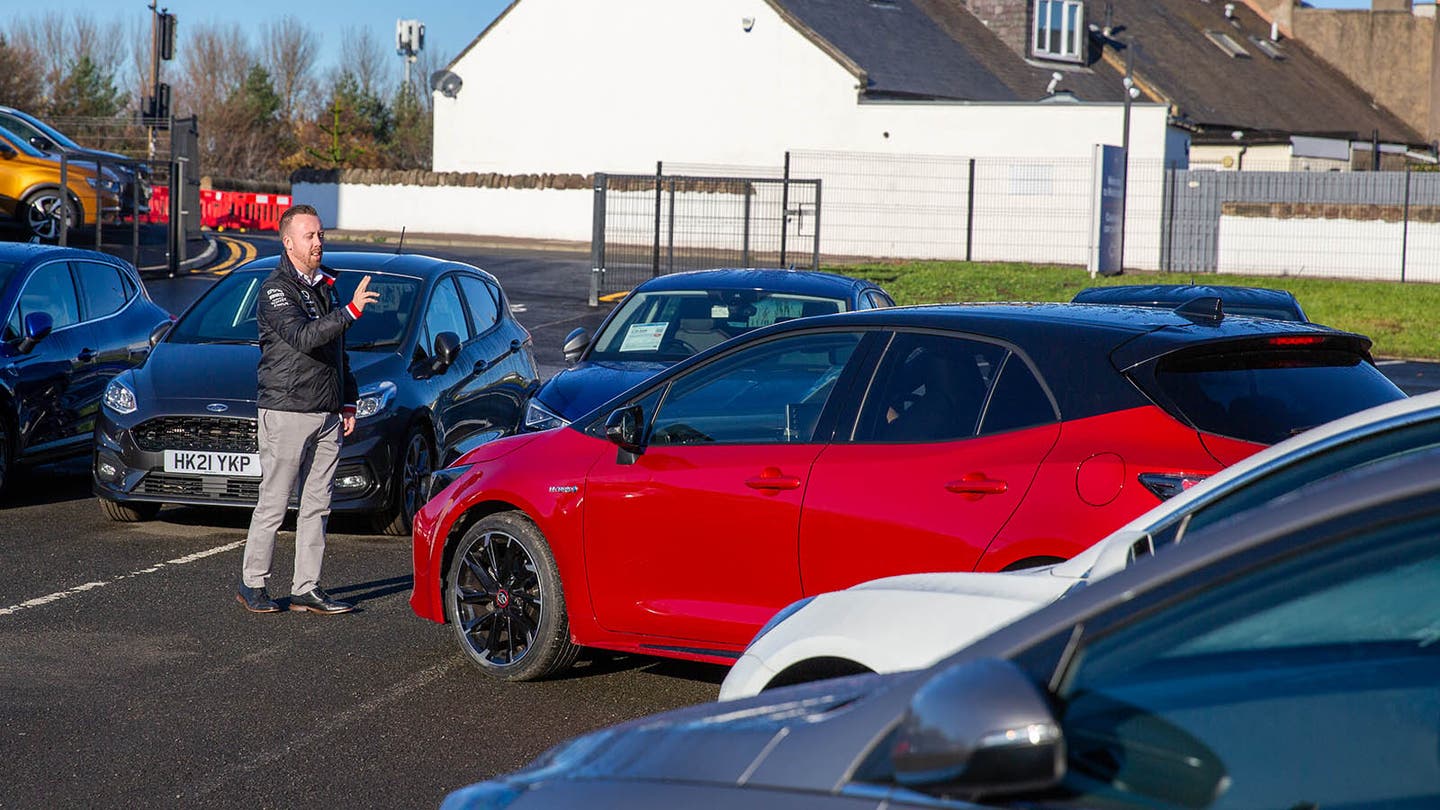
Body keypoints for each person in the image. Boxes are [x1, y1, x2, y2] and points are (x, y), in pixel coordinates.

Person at [236, 204, 378, 615]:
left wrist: (347, 398)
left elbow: (336, 351)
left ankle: (306, 587)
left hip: (326, 410)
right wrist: (349, 312)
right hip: (287, 410)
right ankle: (252, 584)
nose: (318, 242)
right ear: (288, 242)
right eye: (309, 236)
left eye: (320, 235)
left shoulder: (324, 286)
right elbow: (303, 337)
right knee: (275, 502)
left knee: (318, 503)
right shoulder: (276, 289)